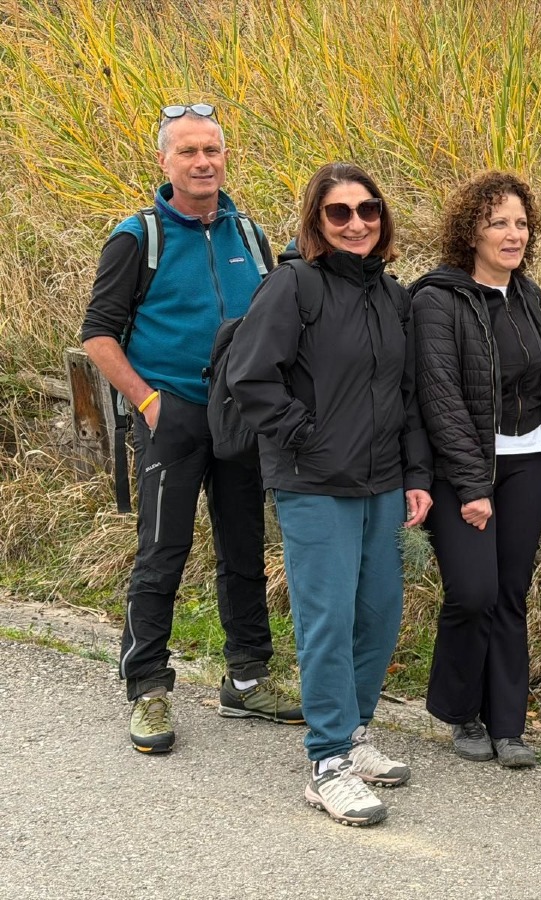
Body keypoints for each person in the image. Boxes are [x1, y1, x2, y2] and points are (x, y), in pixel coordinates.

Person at [82, 103, 301, 754]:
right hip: (171, 416)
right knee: (162, 552)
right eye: (188, 151)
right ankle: (148, 686)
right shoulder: (138, 237)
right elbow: (98, 335)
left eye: (212, 150)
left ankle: (248, 679)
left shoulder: (249, 235)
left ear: (225, 157)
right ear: (164, 161)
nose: (203, 162)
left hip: (240, 418)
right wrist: (149, 403)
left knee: (244, 550)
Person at [225, 162, 433, 826]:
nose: (356, 223)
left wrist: (416, 476)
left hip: (382, 483)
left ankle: (355, 732)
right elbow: (250, 377)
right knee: (328, 620)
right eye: (339, 212)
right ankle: (327, 762)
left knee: (379, 614)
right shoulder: (293, 285)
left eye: (368, 210)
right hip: (314, 484)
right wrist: (307, 438)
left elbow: (406, 396)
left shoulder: (393, 296)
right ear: (316, 221)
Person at [411, 171, 541, 769]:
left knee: (510, 593)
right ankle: (460, 709)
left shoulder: (528, 295)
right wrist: (473, 486)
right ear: (471, 231)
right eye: (499, 222)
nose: (513, 234)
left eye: (521, 223)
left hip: (529, 461)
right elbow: (439, 396)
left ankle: (508, 725)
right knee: (474, 592)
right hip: (462, 469)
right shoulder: (436, 300)